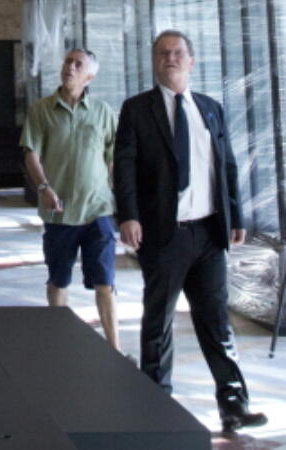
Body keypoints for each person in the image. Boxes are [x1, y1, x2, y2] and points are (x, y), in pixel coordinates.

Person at [114, 29, 267, 435]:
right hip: (164, 235)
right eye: (163, 53)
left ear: (191, 61)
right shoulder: (137, 110)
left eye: (178, 52)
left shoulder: (210, 109)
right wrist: (127, 216)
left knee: (216, 322)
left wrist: (235, 216)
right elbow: (124, 167)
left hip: (208, 236)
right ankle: (154, 404)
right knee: (158, 322)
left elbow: (227, 166)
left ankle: (234, 405)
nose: (171, 58)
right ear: (154, 62)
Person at [21, 47, 120, 346]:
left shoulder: (103, 112)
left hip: (98, 211)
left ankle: (114, 347)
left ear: (89, 76)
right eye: (67, 62)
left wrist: (118, 196)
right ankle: (59, 344)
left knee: (105, 282)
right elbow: (31, 154)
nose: (70, 68)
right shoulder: (41, 110)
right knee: (58, 280)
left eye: (78, 65)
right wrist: (43, 188)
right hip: (59, 212)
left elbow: (113, 157)